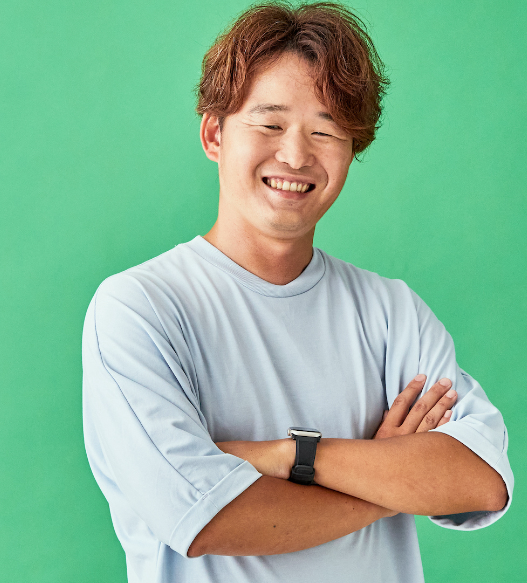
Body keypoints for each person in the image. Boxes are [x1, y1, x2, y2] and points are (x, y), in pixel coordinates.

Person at [82, 2, 513, 582]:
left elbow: (479, 481)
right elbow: (207, 519)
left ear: (352, 150)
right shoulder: (139, 309)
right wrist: (390, 480)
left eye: (326, 130)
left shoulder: (392, 312)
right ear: (214, 133)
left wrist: (290, 456)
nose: (295, 155)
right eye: (270, 124)